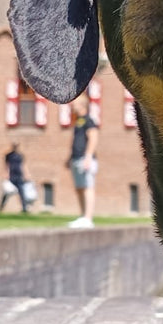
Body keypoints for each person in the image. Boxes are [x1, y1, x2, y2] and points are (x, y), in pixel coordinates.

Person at [68, 97, 99, 228]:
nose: (72, 106)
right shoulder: (78, 121)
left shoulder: (88, 120)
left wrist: (88, 157)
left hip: (85, 159)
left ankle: (88, 218)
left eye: (74, 103)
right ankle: (82, 216)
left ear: (81, 105)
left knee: (87, 187)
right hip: (76, 158)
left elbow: (93, 137)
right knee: (80, 188)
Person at [0, 143, 36, 213]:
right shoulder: (9, 155)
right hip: (11, 176)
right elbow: (6, 165)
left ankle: (24, 208)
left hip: (19, 176)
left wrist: (27, 174)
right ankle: (1, 207)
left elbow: (23, 165)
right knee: (7, 192)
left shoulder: (20, 156)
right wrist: (6, 174)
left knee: (22, 192)